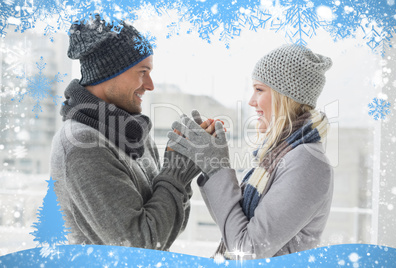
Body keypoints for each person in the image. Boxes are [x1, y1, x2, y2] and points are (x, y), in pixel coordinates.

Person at [168, 44, 334, 259]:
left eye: (259, 89)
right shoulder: (277, 155)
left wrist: (217, 167)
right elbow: (231, 230)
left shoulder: (308, 162)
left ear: (285, 96)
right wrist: (208, 164)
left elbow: (245, 250)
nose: (251, 101)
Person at [50, 15, 201, 250]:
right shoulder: (81, 144)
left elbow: (171, 228)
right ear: (109, 71)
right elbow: (141, 246)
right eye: (142, 71)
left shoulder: (134, 133)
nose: (150, 85)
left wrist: (184, 166)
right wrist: (175, 172)